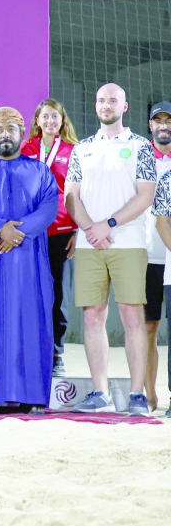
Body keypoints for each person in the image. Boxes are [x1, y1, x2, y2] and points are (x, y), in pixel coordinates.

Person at [65, 83, 156, 416]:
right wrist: (91, 228)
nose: (106, 105)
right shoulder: (82, 149)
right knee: (92, 317)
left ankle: (136, 396)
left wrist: (109, 225)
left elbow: (145, 196)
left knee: (132, 316)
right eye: (101, 100)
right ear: (95, 106)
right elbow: (71, 196)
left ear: (125, 106)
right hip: (90, 245)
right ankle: (100, 392)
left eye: (112, 100)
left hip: (128, 243)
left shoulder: (141, 146)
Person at [0, 108, 58, 416]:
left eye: (12, 129)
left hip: (29, 261)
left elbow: (48, 208)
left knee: (32, 321)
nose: (5, 134)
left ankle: (33, 396)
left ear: (21, 134)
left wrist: (17, 233)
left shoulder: (40, 171)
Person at [20, 99, 78, 376]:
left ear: (62, 120)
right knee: (30, 293)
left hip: (62, 233)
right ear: (38, 120)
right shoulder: (26, 149)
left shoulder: (73, 151)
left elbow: (81, 193)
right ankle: (32, 349)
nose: (50, 121)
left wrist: (78, 230)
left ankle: (57, 353)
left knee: (58, 296)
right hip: (31, 233)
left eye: (55, 116)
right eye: (45, 117)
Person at [142, 102, 171, 410]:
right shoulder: (140, 157)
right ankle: (150, 396)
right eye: (158, 121)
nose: (164, 125)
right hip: (149, 256)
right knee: (148, 327)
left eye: (168, 120)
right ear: (150, 126)